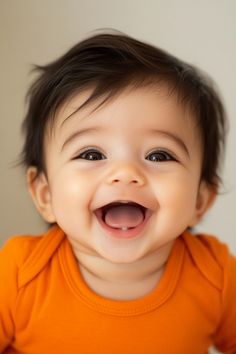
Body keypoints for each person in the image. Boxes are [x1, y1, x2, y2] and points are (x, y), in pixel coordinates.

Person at [0, 31, 235, 354]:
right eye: (92, 154)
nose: (126, 173)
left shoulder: (216, 277)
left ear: (200, 199)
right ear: (45, 196)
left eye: (159, 155)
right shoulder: (17, 276)